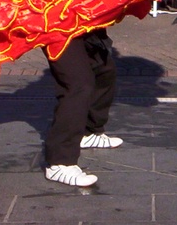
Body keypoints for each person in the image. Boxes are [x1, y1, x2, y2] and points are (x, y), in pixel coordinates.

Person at [44, 30, 122, 187]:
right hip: (54, 24)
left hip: (83, 21)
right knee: (78, 85)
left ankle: (88, 131)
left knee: (103, 70)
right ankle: (59, 162)